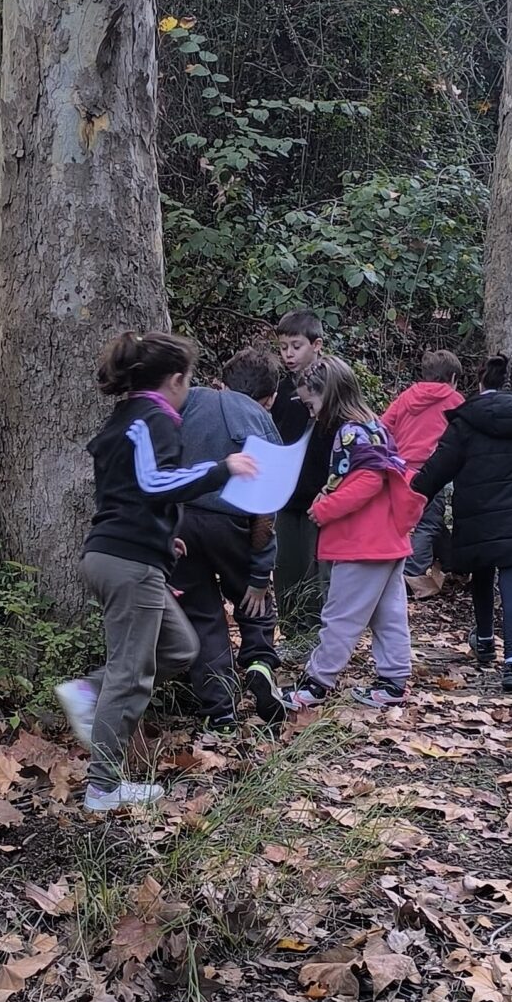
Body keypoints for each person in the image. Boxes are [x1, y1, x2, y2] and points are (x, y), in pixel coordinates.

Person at [54, 331, 257, 814]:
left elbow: (126, 493)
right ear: (176, 380)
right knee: (130, 674)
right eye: (190, 380)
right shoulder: (153, 418)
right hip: (128, 562)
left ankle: (90, 690)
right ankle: (103, 788)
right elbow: (153, 482)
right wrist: (222, 468)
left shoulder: (127, 417)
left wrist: (166, 538)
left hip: (124, 555)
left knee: (179, 648)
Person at [412, 356, 512, 693]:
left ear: (480, 384)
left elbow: (439, 467)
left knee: (482, 571)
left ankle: (485, 640)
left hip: (477, 512)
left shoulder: (466, 421)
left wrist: (412, 491)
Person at [284, 356, 422, 709]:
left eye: (312, 404)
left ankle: (316, 683)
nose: (311, 413)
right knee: (388, 615)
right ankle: (393, 682)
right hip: (388, 540)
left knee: (340, 616)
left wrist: (324, 508)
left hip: (361, 543)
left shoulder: (349, 432)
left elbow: (367, 481)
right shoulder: (374, 426)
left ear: (328, 395)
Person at [174, 347, 289, 732]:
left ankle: (219, 710)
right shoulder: (261, 421)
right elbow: (266, 510)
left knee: (202, 615)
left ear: (221, 382)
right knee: (254, 602)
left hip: (182, 523)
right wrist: (259, 574)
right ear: (271, 398)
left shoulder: (191, 400)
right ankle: (259, 662)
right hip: (234, 526)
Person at [381, 350, 464, 597]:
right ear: (452, 378)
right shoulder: (454, 400)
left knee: (417, 520)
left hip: (400, 470)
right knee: (427, 523)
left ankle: (452, 563)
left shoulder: (407, 396)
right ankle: (411, 576)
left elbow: (383, 426)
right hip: (433, 471)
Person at [271, 309, 333, 630]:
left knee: (316, 570)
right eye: (283, 347)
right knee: (285, 567)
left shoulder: (332, 386)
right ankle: (291, 632)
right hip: (285, 496)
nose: (289, 354)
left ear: (316, 345)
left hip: (319, 496)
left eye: (296, 346)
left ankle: (317, 635)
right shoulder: (280, 390)